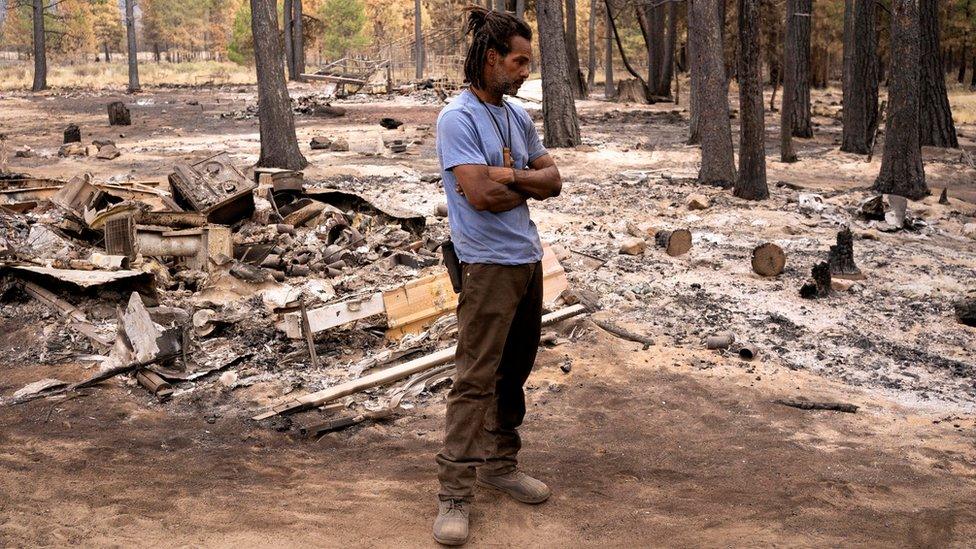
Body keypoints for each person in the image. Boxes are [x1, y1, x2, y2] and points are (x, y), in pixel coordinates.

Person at [432, 6, 563, 546]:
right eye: (518, 61)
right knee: (474, 379)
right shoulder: (456, 118)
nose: (525, 70)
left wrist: (508, 173)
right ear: (490, 59)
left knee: (515, 371)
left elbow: (553, 180)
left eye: (528, 61)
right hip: (485, 265)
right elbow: (479, 198)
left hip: (527, 261)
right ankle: (454, 493)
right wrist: (518, 181)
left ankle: (499, 464)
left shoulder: (516, 116)